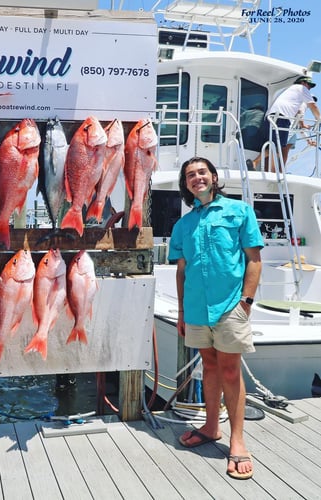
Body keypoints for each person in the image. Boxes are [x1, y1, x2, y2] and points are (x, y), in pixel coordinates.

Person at [169, 157, 263, 480]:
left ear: (213, 177)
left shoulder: (239, 211)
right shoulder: (183, 225)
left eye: (201, 172)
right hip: (196, 309)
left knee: (229, 368)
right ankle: (211, 427)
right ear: (186, 184)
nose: (196, 178)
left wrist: (246, 303)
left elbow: (254, 260)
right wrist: (181, 311)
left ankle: (237, 440)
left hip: (229, 308)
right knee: (208, 366)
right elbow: (181, 271)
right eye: (190, 175)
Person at [249, 75, 320, 172]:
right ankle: (255, 163)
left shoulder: (290, 91)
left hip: (270, 118)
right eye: (309, 85)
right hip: (281, 118)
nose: (309, 88)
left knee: (274, 148)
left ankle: (270, 171)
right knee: (278, 150)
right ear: (303, 83)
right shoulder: (302, 89)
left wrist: (303, 126)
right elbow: (313, 107)